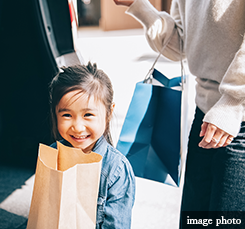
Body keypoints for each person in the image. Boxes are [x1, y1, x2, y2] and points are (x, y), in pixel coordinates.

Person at [113, 0, 245, 227]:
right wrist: (139, 5)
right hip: (205, 116)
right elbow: (180, 44)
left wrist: (232, 103)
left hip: (238, 120)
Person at [49, 62, 136, 228]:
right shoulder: (53, 154)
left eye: (88, 114)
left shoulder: (116, 170)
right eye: (67, 115)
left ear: (109, 113)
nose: (78, 127)